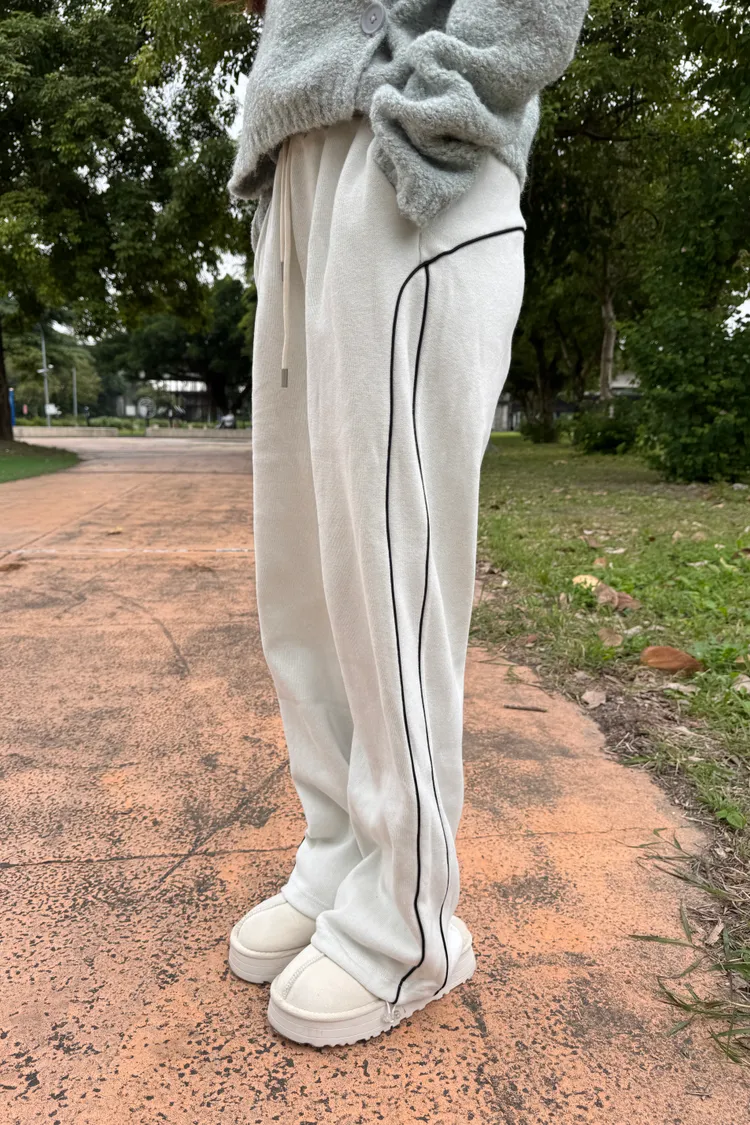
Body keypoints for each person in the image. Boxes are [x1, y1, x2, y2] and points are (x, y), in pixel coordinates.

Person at [227, 0, 588, 1047]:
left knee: (388, 575)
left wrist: (447, 100)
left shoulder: (422, 125)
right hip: (299, 160)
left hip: (408, 155)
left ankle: (408, 919)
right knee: (304, 574)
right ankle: (338, 856)